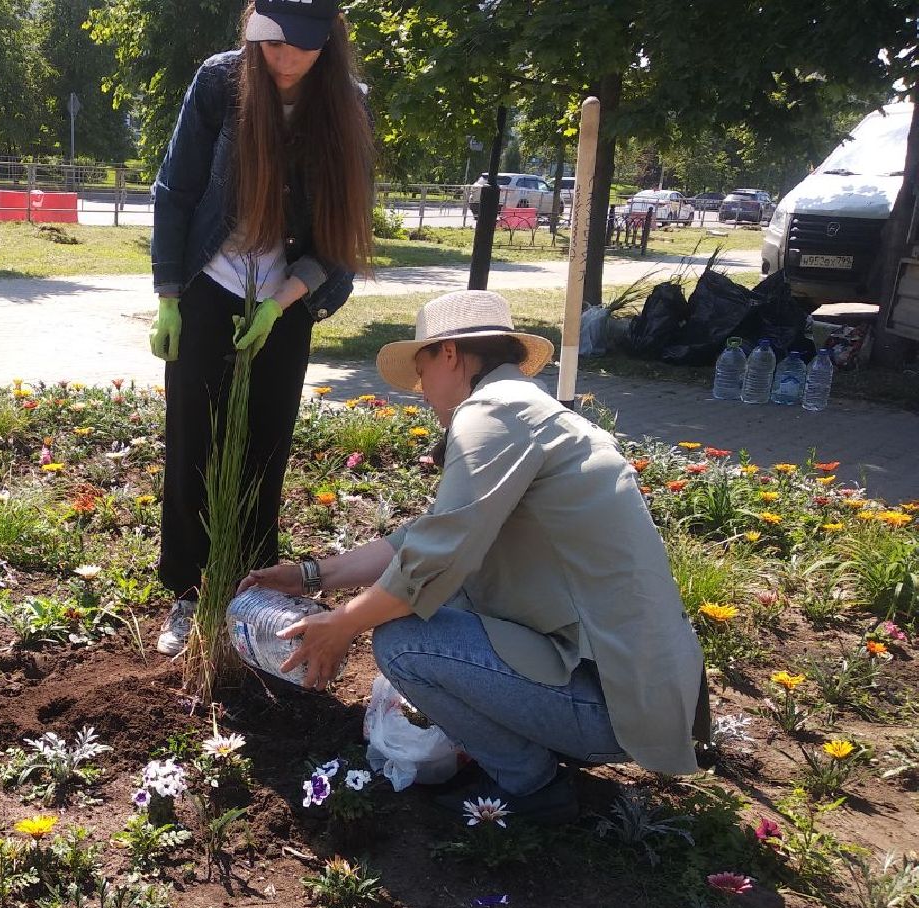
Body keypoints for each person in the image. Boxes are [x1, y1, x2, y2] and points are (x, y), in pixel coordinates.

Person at [238, 290, 709, 824]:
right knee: (440, 603)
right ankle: (537, 744)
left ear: (450, 354)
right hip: (634, 693)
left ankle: (531, 786)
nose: (422, 393)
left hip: (612, 710)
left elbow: (433, 559)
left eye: (421, 374)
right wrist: (311, 576)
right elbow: (421, 540)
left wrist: (342, 624)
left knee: (403, 641)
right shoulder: (526, 411)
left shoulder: (493, 413)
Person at [148, 0, 375, 657]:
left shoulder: (347, 105)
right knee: (193, 443)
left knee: (264, 447)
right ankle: (189, 590)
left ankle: (247, 590)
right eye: (272, 44)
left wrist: (279, 303)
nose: (284, 59)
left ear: (329, 39)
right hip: (207, 286)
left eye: (300, 46)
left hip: (287, 297)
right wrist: (169, 297)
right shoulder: (220, 82)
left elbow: (339, 232)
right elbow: (175, 190)